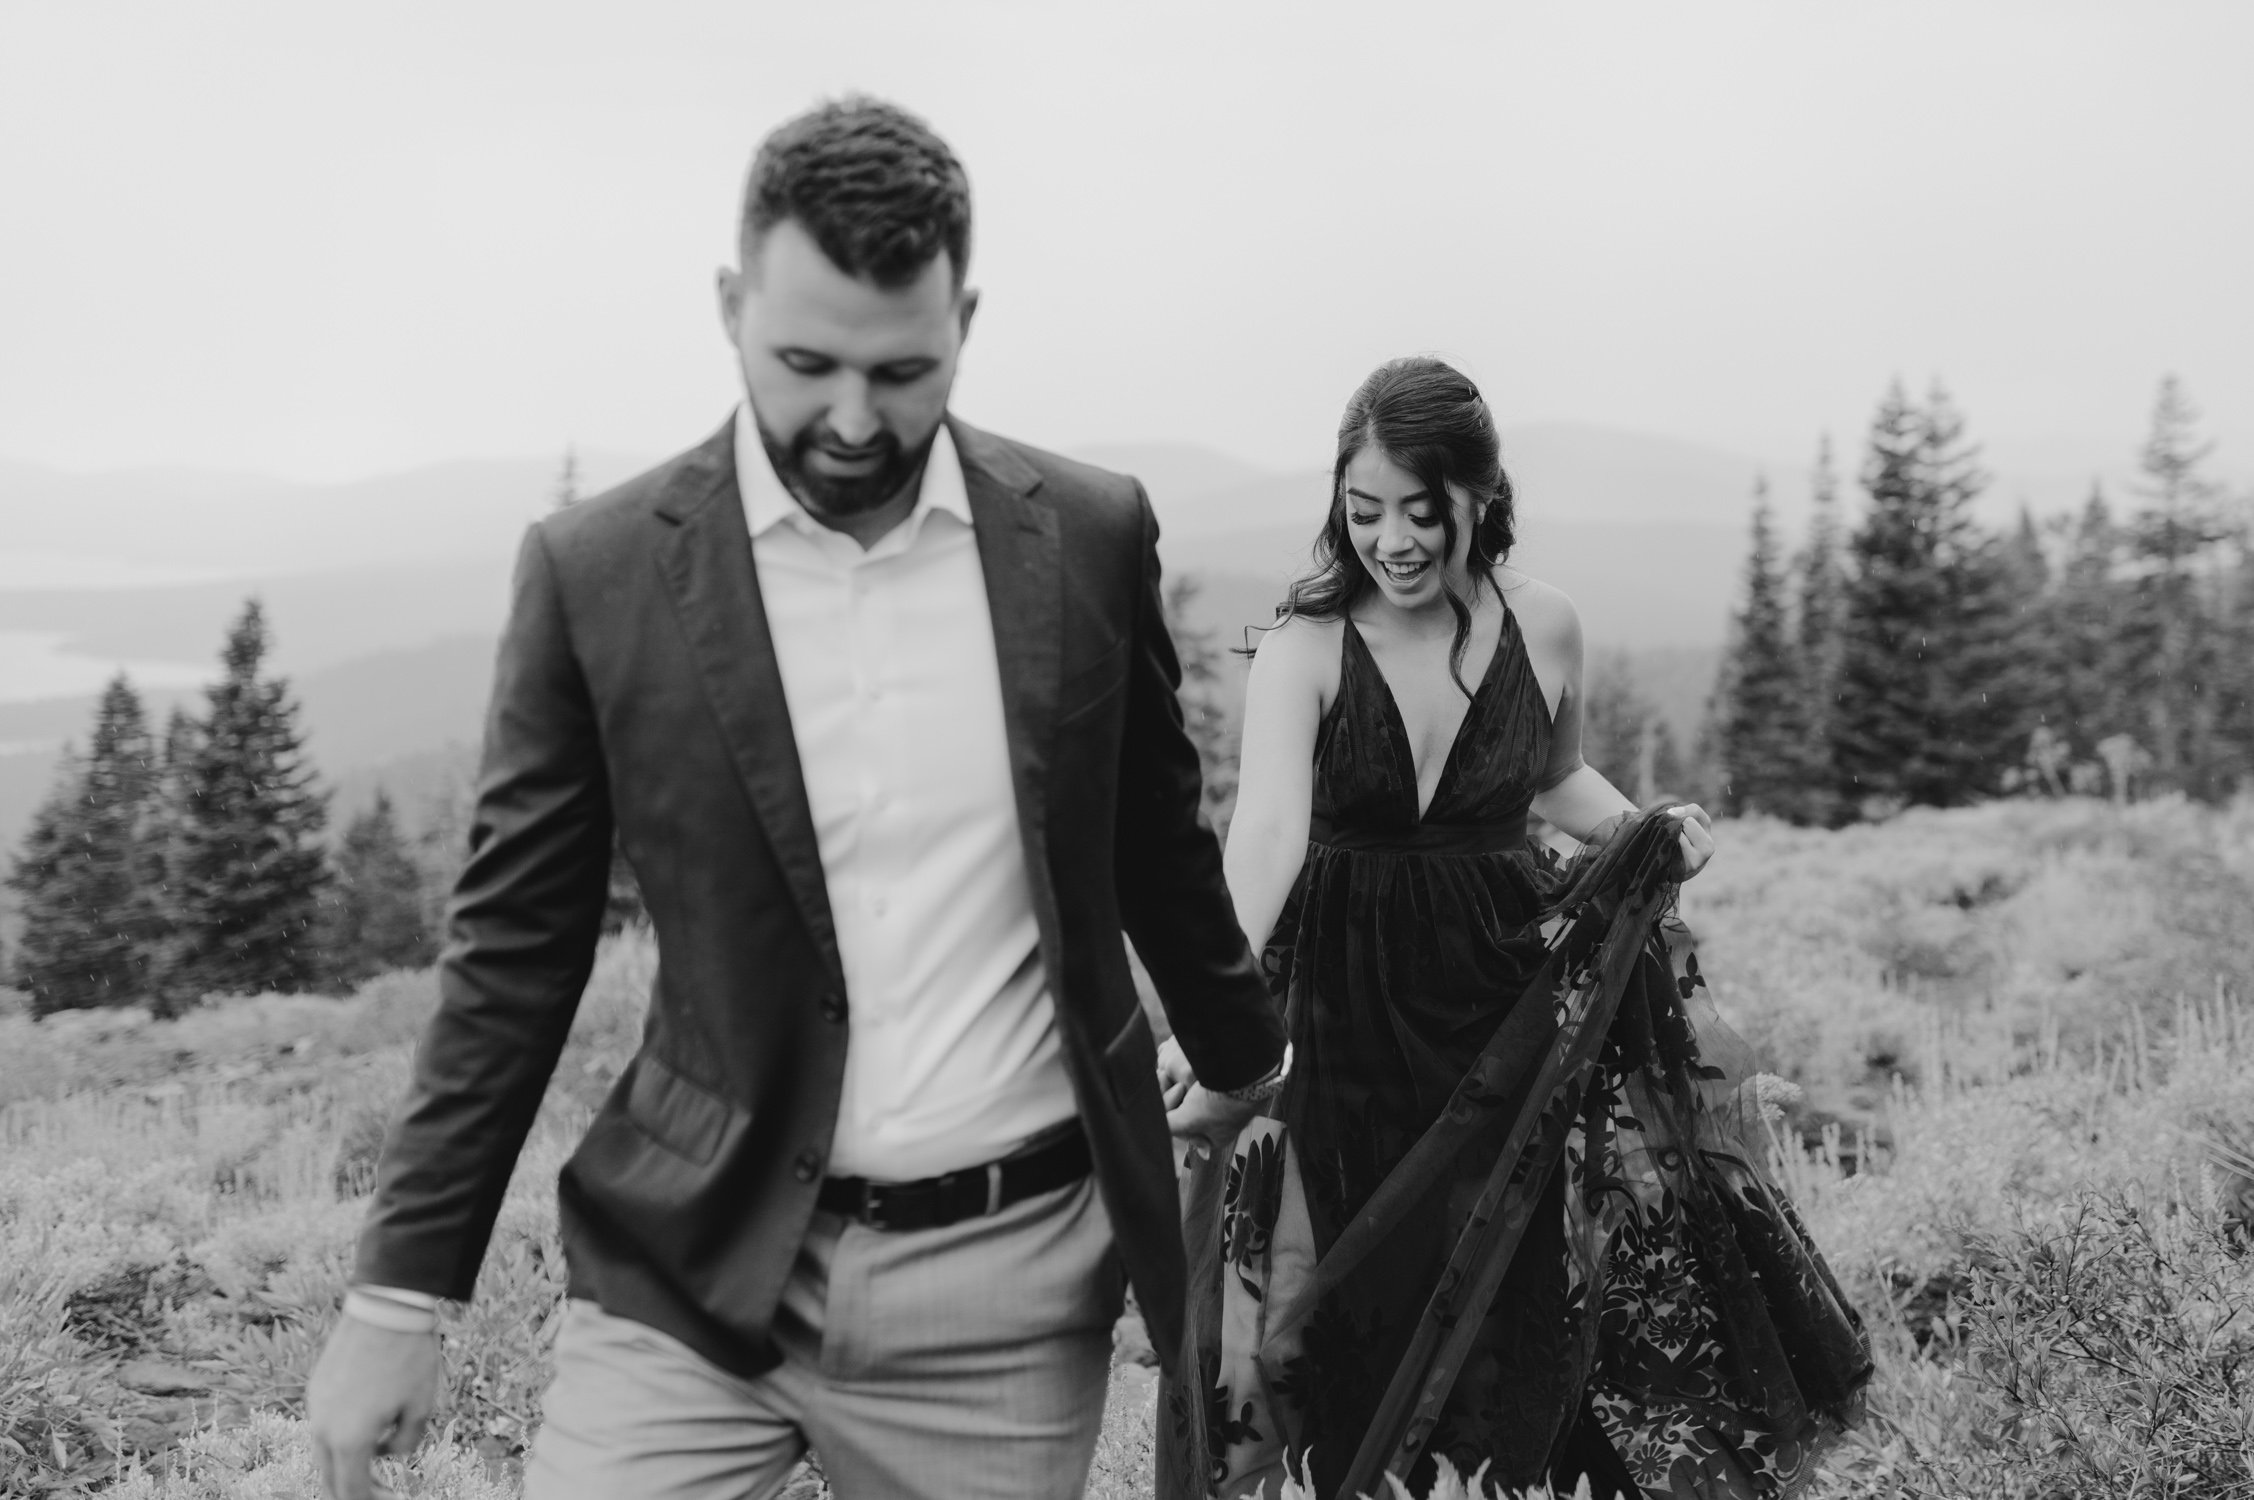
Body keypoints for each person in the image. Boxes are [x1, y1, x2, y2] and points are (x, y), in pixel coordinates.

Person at [305, 96, 1287, 1500]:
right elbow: (512, 956)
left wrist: (1248, 1058)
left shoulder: (1086, 533)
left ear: (966, 318)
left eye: (901, 372)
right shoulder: (597, 574)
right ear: (729, 306)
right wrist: (399, 1300)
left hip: (999, 1297)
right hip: (685, 1268)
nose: (849, 418)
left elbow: (1147, 834)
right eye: (803, 361)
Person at [1156, 358, 1871, 1499]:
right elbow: (1267, 838)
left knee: (1521, 1256)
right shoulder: (1303, 645)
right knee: (1353, 1271)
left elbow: (1557, 777)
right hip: (1344, 997)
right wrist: (1215, 1014)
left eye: (1420, 509)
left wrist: (1649, 831)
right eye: (1362, 510)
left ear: (1480, 496)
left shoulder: (1546, 624)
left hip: (1507, 988)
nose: (1390, 539)